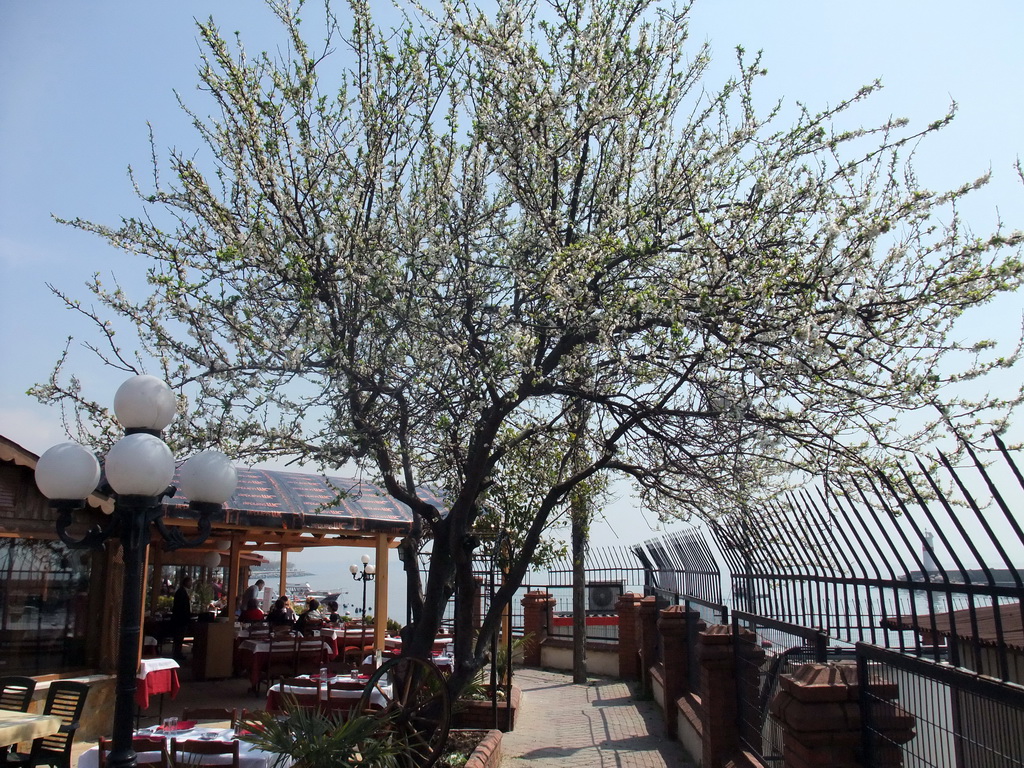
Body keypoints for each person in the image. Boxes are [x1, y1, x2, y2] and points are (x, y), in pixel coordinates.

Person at [170, 575, 193, 660]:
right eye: (190, 582)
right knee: (179, 638)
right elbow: (181, 607)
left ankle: (178, 653)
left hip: (181, 619)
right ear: (186, 582)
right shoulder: (181, 592)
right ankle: (177, 654)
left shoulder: (182, 592)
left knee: (180, 638)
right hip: (180, 620)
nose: (191, 584)